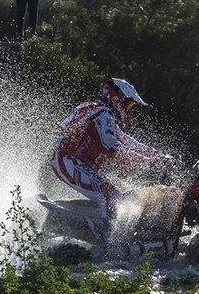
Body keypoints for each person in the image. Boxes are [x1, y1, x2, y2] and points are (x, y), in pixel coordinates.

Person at [51, 77, 170, 221]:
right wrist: (150, 162)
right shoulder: (103, 114)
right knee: (112, 195)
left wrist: (156, 155)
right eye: (128, 103)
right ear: (117, 97)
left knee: (112, 194)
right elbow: (114, 150)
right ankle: (111, 240)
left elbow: (127, 140)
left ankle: (98, 221)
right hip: (68, 160)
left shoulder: (99, 110)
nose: (127, 109)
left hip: (66, 160)